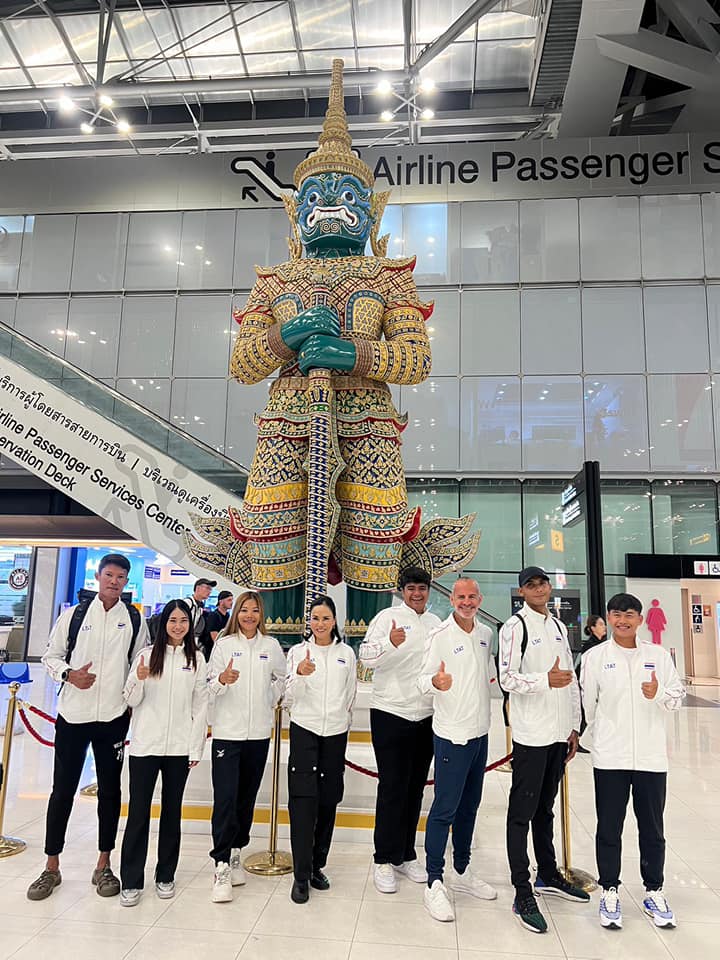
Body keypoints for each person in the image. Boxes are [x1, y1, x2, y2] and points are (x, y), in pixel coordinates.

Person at [27, 553, 150, 901]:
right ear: (99, 576)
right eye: (109, 575)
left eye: (121, 577)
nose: (114, 581)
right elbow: (50, 656)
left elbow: (138, 663)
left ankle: (103, 864)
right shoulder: (75, 615)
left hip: (113, 719)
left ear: (127, 582)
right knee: (62, 790)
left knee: (110, 793)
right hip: (73, 717)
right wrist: (70, 675)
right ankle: (51, 866)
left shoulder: (133, 619)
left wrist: (132, 699)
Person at [581, 593, 684, 930]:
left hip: (651, 757)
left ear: (640, 619)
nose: (622, 620)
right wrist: (598, 739)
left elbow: (677, 696)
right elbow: (588, 704)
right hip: (611, 757)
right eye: (616, 615)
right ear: (608, 619)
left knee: (652, 829)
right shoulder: (596, 658)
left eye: (629, 615)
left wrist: (659, 696)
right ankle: (609, 889)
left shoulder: (657, 656)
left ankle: (654, 889)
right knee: (609, 827)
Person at [499, 566, 589, 934]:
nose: (538, 589)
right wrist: (542, 680)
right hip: (531, 734)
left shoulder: (556, 626)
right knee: (521, 812)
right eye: (530, 585)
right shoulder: (515, 627)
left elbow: (569, 678)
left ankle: (547, 874)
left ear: (550, 588)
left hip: (556, 734)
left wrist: (572, 725)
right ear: (521, 592)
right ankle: (522, 889)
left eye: (542, 583)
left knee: (545, 810)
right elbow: (506, 677)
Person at [417, 578, 497, 923]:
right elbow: (422, 679)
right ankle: (434, 881)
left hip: (480, 734)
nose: (466, 602)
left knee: (470, 808)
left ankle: (462, 870)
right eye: (461, 597)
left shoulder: (485, 634)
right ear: (452, 599)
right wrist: (435, 682)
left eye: (472, 597)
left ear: (479, 599)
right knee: (445, 809)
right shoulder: (440, 636)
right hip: (452, 735)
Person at [119, 600, 208, 906]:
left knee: (172, 813)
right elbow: (130, 700)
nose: (178, 626)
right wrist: (138, 678)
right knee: (138, 813)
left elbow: (200, 705)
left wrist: (195, 747)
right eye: (173, 620)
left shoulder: (196, 658)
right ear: (163, 623)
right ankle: (131, 879)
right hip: (146, 746)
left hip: (178, 749)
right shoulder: (146, 656)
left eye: (183, 620)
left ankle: (165, 874)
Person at [359, 566, 441, 894]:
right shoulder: (386, 617)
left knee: (416, 788)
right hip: (391, 712)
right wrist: (390, 644)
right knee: (392, 788)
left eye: (422, 588)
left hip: (426, 715)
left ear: (429, 590)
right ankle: (383, 858)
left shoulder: (436, 624)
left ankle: (406, 854)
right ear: (402, 591)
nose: (417, 593)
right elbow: (366, 657)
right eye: (411, 588)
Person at [206, 591, 286, 902]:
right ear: (235, 613)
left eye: (254, 611)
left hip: (257, 734)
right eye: (244, 610)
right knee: (225, 798)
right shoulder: (224, 646)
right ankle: (221, 863)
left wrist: (271, 693)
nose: (249, 616)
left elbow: (281, 679)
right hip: (228, 733)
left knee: (246, 797)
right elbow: (209, 688)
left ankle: (237, 851)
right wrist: (223, 680)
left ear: (260, 615)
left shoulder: (270, 646)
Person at [285, 595, 356, 904]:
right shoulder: (299, 653)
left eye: (326, 618)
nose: (320, 623)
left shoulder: (346, 654)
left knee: (328, 802)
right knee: (303, 804)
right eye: (315, 618)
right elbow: (288, 698)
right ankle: (300, 875)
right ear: (308, 622)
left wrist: (342, 718)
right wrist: (300, 674)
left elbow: (350, 694)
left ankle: (317, 866)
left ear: (334, 621)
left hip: (335, 734)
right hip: (305, 731)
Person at [576, 615, 607, 751]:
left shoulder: (604, 645)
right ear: (592, 628)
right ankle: (580, 741)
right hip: (585, 682)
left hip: (598, 683)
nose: (604, 626)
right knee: (585, 710)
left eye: (604, 624)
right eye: (600, 624)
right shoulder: (590, 646)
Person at [186, 578, 217, 659]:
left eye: (210, 589)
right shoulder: (188, 603)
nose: (209, 591)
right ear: (198, 588)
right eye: (207, 588)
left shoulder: (199, 607)